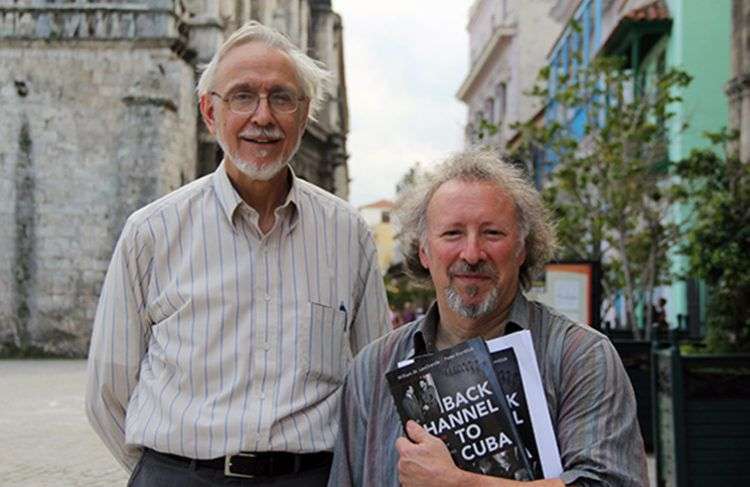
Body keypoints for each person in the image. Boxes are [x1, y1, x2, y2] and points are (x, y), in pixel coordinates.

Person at [85, 21, 388, 487]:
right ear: (210, 112)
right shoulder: (151, 232)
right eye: (243, 96)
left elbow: (374, 378)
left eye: (281, 98)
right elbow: (109, 391)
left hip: (310, 478)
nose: (262, 117)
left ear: (305, 114)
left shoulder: (348, 234)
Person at [328, 150, 648, 486]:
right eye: (452, 233)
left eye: (492, 233)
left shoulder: (580, 356)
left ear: (522, 249)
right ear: (424, 251)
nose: (471, 254)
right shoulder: (372, 369)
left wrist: (457, 483)